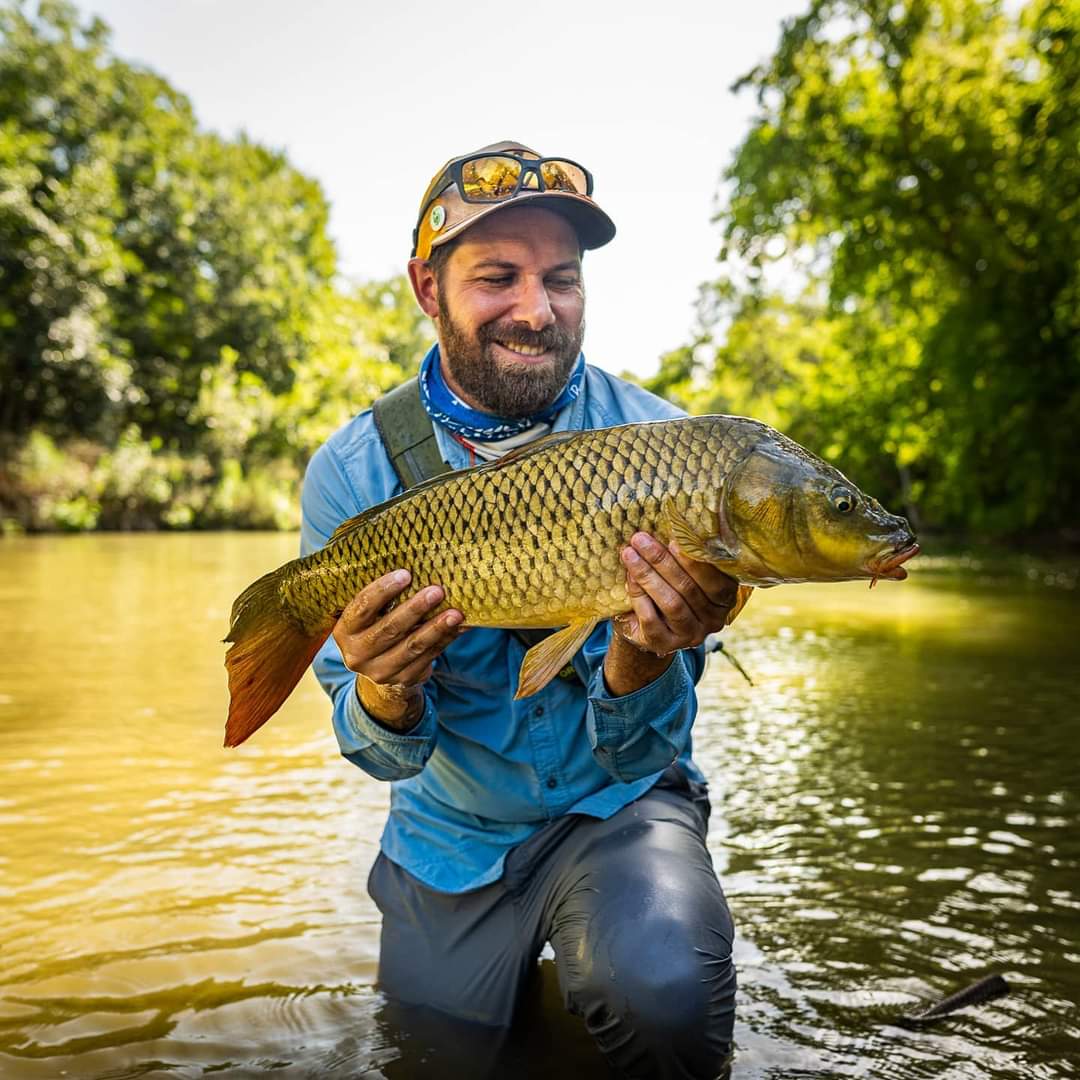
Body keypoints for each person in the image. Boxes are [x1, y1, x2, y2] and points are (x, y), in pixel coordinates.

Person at [299, 141, 739, 1079]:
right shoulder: (350, 473)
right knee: (434, 1055)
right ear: (428, 287)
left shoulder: (668, 449)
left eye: (562, 280)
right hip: (451, 830)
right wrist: (382, 689)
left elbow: (646, 750)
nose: (536, 311)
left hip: (618, 805)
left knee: (662, 1005)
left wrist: (640, 660)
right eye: (497, 276)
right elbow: (378, 754)